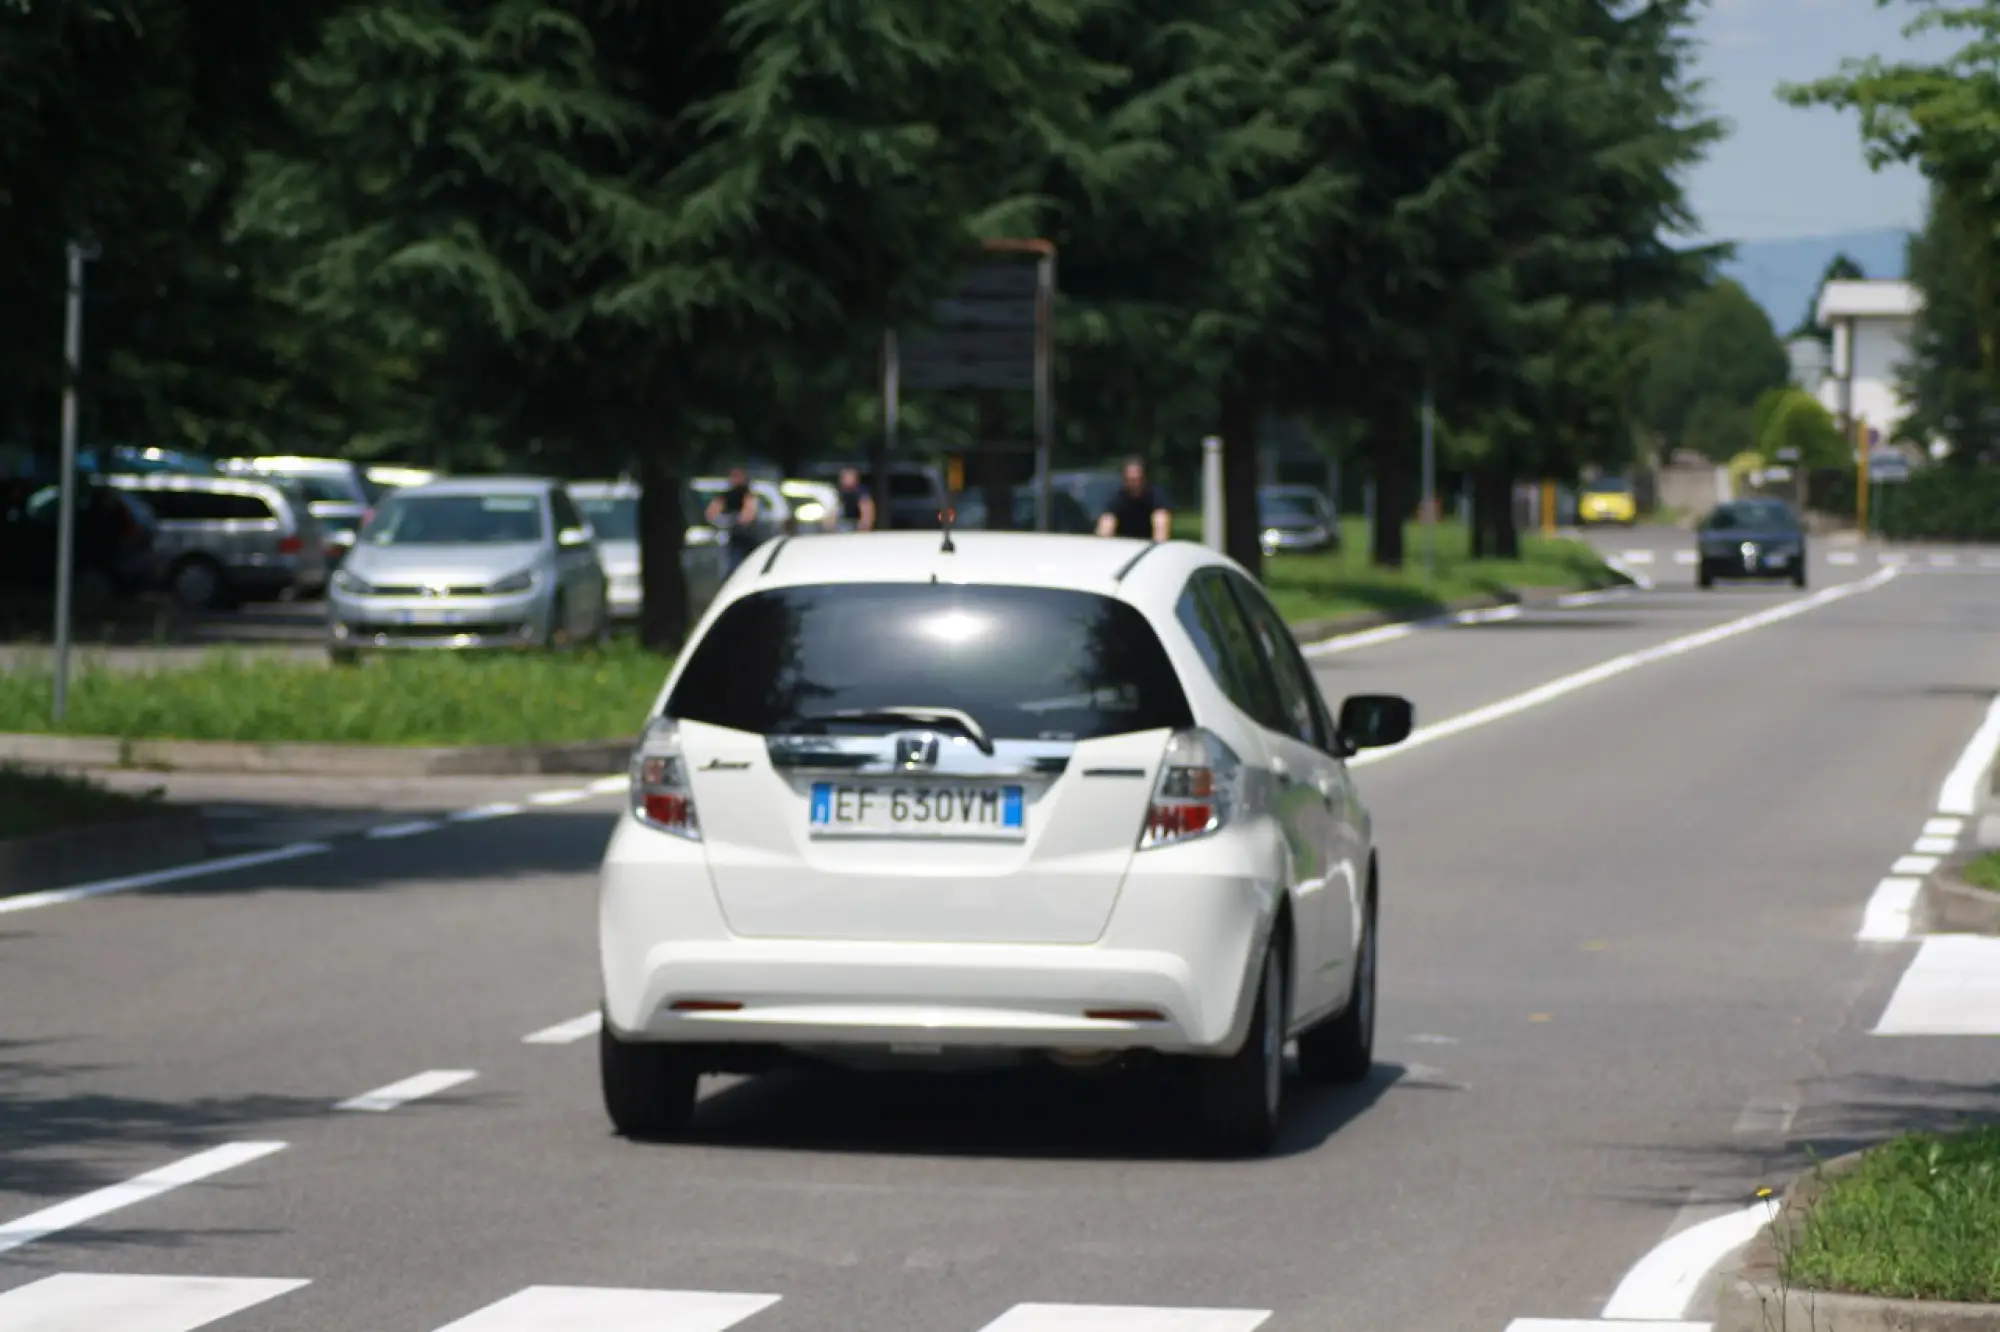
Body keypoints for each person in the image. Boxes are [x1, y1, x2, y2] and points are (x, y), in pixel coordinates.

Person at [1096, 456, 1172, 541]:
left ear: (1145, 479)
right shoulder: (1116, 497)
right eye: (1131, 480)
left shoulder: (1156, 495)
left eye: (1138, 479)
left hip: (1148, 545)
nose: (1135, 484)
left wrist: (1158, 545)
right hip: (1121, 544)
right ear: (1124, 480)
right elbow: (1106, 523)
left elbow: (1161, 524)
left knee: (1161, 518)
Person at [705, 467, 762, 573]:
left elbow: (748, 515)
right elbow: (711, 512)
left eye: (738, 476)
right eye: (733, 476)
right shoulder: (727, 495)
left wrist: (733, 520)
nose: (735, 480)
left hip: (747, 539)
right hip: (732, 540)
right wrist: (723, 521)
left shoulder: (748, 495)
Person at [834, 466, 875, 532]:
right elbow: (832, 510)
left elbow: (867, 509)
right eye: (846, 477)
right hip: (840, 524)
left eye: (851, 477)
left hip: (856, 524)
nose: (848, 480)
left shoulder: (862, 492)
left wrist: (864, 525)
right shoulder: (836, 492)